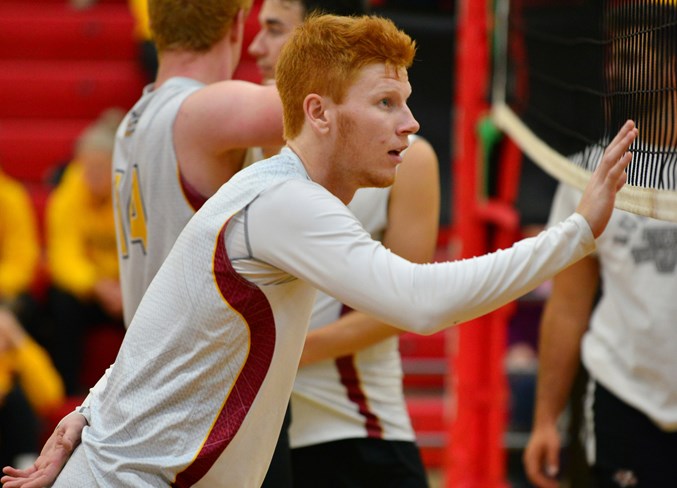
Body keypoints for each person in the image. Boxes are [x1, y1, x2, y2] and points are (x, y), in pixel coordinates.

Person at [4, 12, 636, 488]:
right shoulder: (284, 204)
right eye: (386, 103)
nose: (410, 124)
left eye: (408, 103)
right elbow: (417, 302)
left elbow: (163, 323)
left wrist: (84, 411)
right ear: (320, 113)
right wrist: (575, 234)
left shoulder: (270, 193)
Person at [2, 0, 284, 485]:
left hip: (150, 378)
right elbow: (330, 98)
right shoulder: (202, 109)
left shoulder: (135, 117)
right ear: (239, 24)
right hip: (203, 391)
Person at [248, 1, 439, 485]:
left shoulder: (410, 161)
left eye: (273, 30)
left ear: (317, 43)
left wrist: (279, 353)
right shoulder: (239, 141)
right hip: (256, 434)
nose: (255, 47)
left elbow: (402, 306)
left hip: (354, 429)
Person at [523, 5, 677, 487]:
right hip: (621, 393)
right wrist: (546, 419)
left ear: (671, 68)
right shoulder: (588, 170)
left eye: (630, 56)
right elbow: (567, 307)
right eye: (610, 57)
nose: (613, 70)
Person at [44, 108, 126, 396]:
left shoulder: (130, 193)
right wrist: (96, 285)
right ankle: (68, 388)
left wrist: (125, 288)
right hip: (94, 290)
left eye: (99, 168)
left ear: (116, 165)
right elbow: (63, 256)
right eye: (85, 167)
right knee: (61, 300)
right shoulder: (68, 194)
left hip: (126, 287)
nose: (91, 175)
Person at [0, 307, 65, 471]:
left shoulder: (18, 355)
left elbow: (50, 396)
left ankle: (25, 467)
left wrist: (20, 344)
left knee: (16, 400)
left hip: (14, 428)